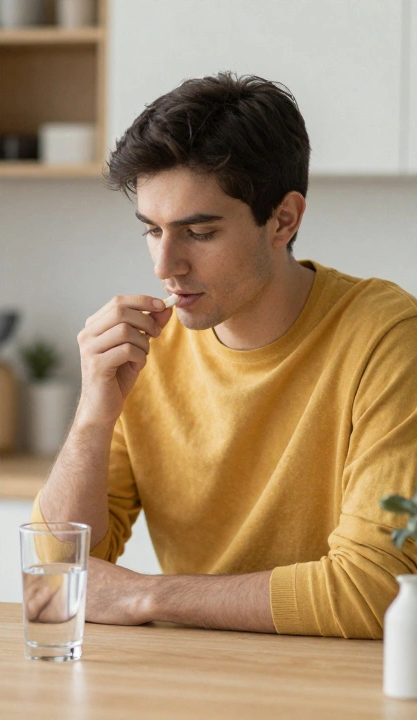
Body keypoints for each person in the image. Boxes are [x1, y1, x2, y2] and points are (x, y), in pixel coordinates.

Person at [33, 72, 417, 640]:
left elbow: (374, 591)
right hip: (196, 677)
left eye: (200, 232)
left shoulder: (386, 336)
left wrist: (146, 594)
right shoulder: (145, 350)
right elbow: (55, 578)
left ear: (283, 219)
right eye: (152, 230)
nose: (166, 265)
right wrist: (93, 414)